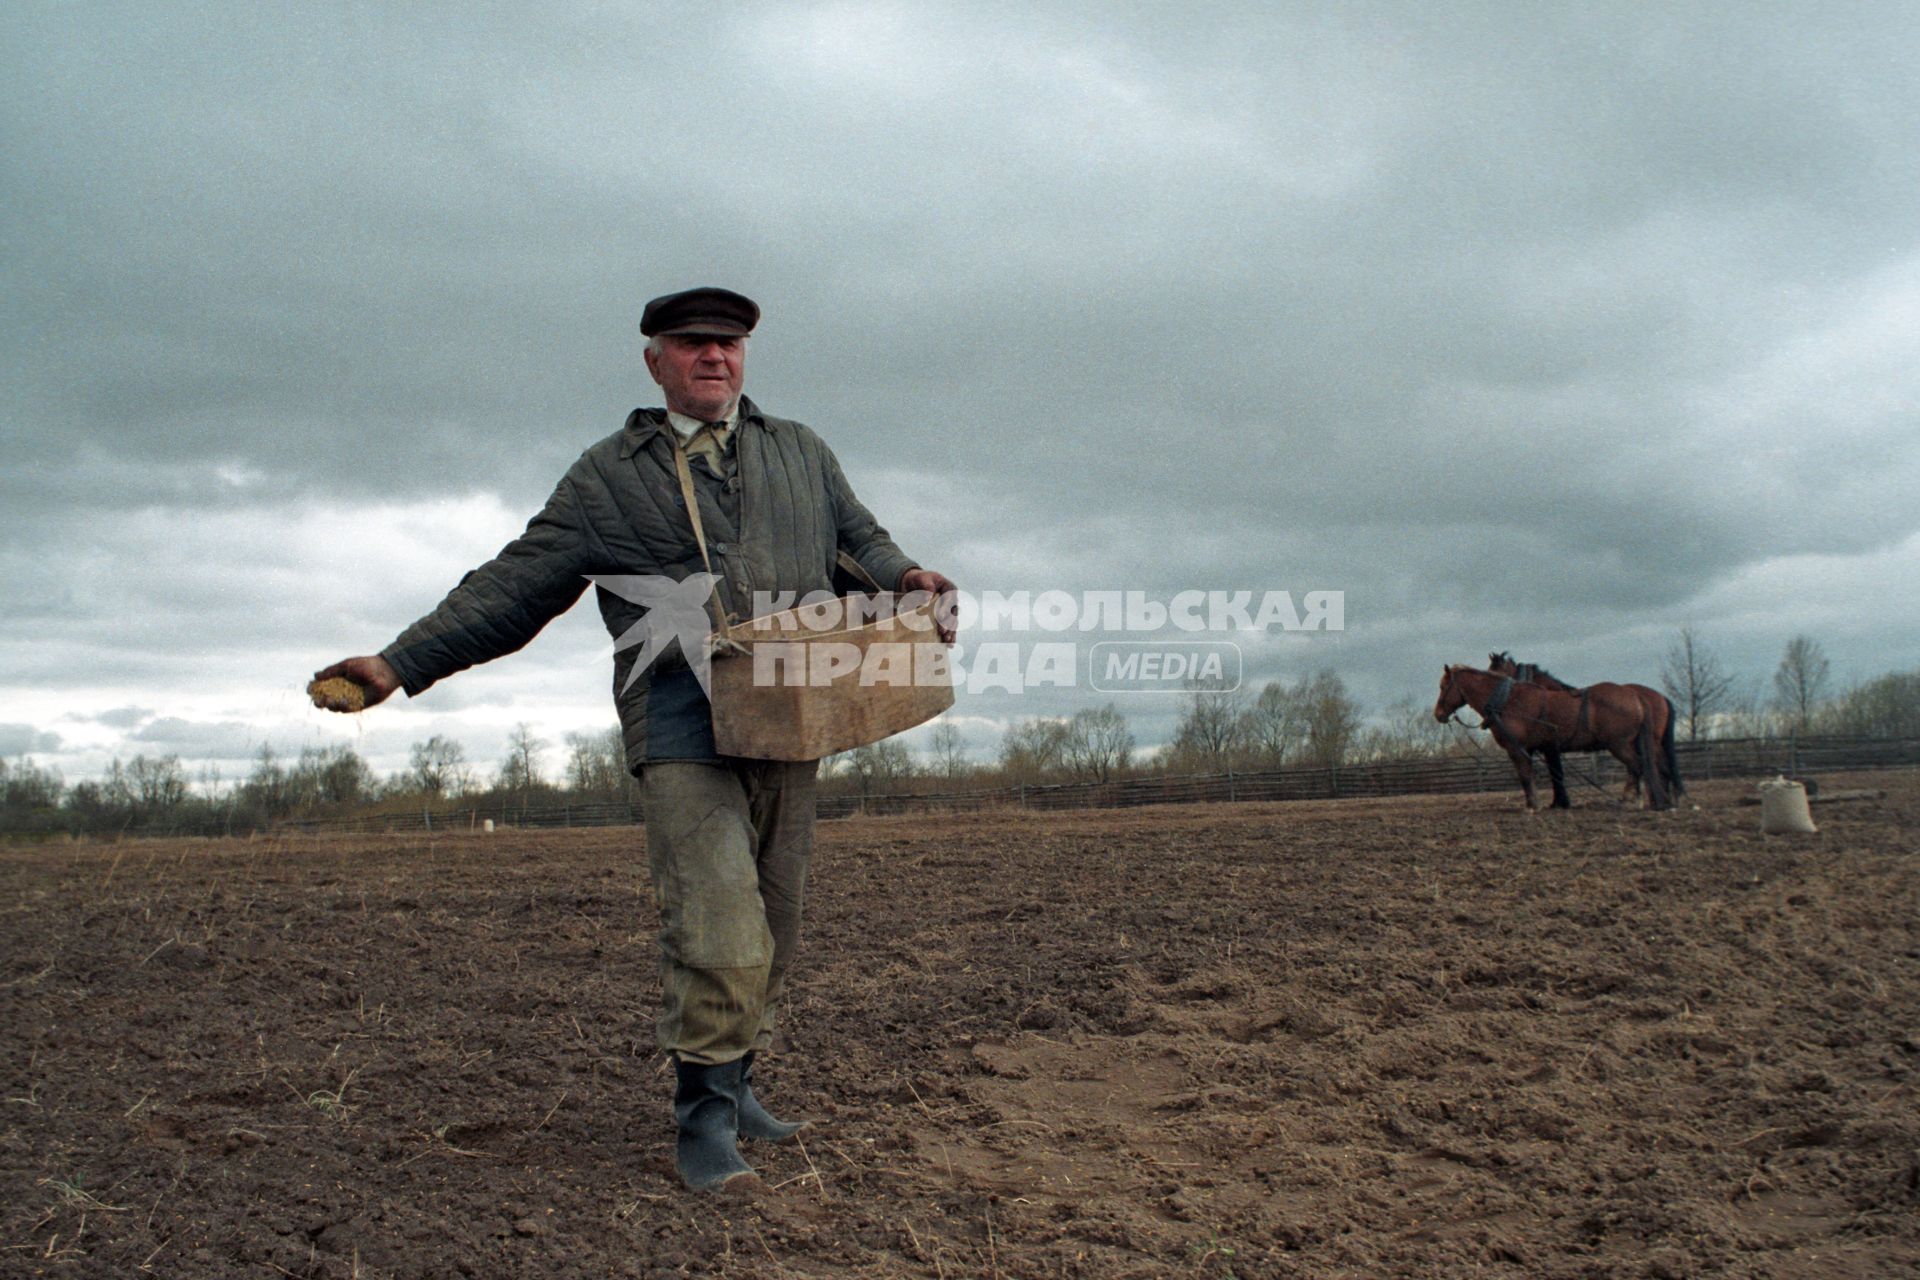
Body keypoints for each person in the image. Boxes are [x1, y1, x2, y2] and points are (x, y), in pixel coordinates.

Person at [313, 286, 955, 1190]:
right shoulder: (608, 476)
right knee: (721, 927)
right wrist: (398, 662)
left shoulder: (799, 451)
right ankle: (701, 1124)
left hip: (792, 714)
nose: (714, 358)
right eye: (693, 344)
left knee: (776, 926)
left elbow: (860, 544)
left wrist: (908, 577)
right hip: (682, 724)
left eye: (729, 345)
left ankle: (736, 1090)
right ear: (655, 359)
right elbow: (513, 586)